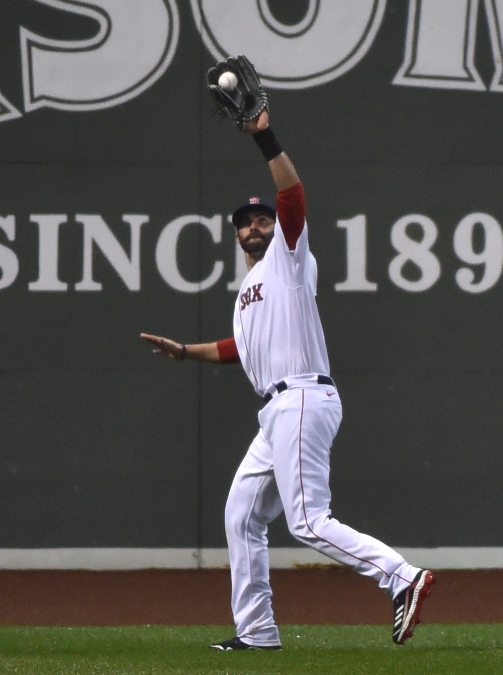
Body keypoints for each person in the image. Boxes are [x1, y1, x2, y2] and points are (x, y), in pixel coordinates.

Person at [139, 109, 434, 649]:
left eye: (261, 220)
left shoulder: (288, 258)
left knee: (307, 522)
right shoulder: (248, 294)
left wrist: (263, 136)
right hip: (276, 412)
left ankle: (403, 577)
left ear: (275, 228)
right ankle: (256, 632)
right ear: (236, 238)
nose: (254, 226)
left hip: (300, 397)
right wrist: (185, 351)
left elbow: (293, 194)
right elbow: (239, 350)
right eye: (244, 224)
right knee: (242, 513)